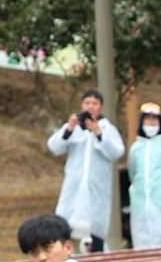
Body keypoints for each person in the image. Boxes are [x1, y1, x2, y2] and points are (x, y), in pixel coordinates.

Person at [49, 94, 122, 251]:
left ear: (101, 107)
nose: (90, 106)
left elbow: (117, 152)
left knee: (96, 228)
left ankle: (96, 255)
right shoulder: (73, 127)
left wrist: (98, 133)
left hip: (97, 188)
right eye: (87, 103)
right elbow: (54, 147)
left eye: (94, 103)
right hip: (74, 186)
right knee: (64, 225)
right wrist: (69, 129)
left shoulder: (108, 128)